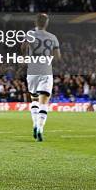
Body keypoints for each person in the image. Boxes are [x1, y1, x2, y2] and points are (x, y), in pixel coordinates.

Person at [21, 13, 61, 141]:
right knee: (44, 101)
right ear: (46, 23)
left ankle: (34, 124)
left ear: (35, 22)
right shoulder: (53, 37)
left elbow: (23, 47)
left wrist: (27, 56)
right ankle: (40, 128)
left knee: (34, 100)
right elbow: (58, 57)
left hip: (32, 70)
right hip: (45, 70)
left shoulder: (30, 34)